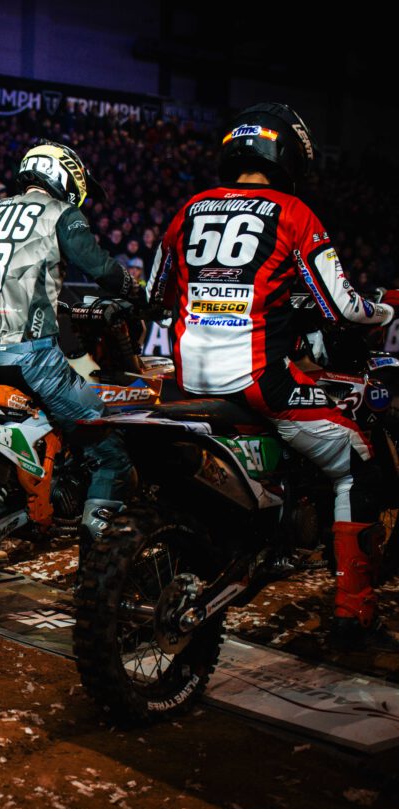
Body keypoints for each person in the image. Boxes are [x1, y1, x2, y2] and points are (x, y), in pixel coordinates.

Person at [149, 103, 399, 645]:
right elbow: (342, 309)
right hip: (261, 383)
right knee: (359, 462)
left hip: (187, 383)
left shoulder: (189, 208)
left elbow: (155, 296)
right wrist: (383, 311)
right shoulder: (292, 211)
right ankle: (353, 613)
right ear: (288, 155)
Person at [0, 140, 141, 542]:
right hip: (33, 359)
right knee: (110, 450)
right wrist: (136, 293)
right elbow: (101, 268)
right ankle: (99, 548)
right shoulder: (62, 212)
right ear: (65, 176)